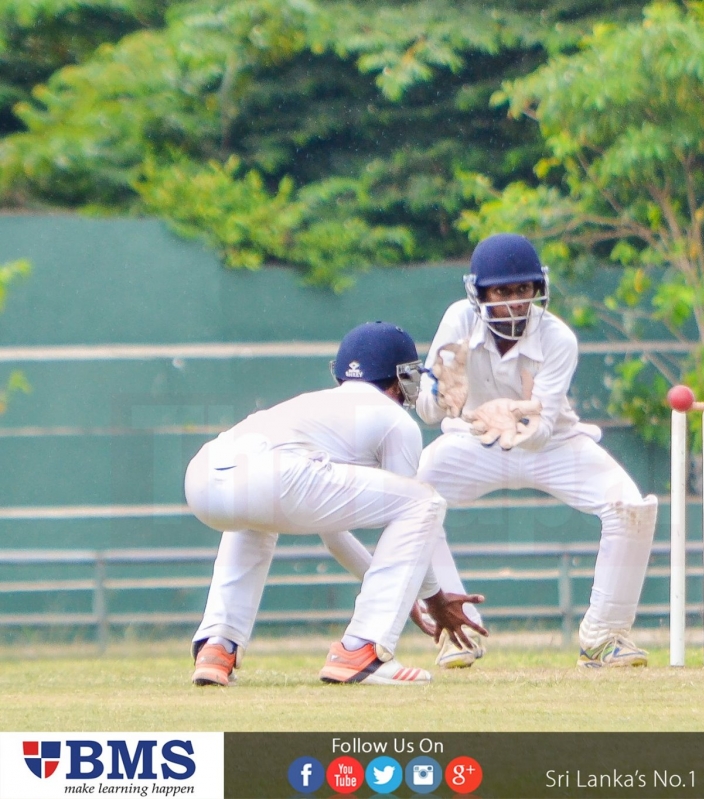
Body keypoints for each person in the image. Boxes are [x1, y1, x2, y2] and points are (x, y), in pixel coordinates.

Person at [186, 321, 486, 687]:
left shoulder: (318, 407)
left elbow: (334, 535)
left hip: (204, 473)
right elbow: (415, 515)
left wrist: (400, 592)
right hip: (274, 474)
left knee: (254, 517)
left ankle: (218, 646)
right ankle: (363, 650)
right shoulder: (395, 420)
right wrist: (434, 599)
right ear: (401, 377)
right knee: (425, 501)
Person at [413, 232, 660, 668]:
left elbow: (542, 431)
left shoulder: (558, 338)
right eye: (502, 292)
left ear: (538, 289)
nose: (514, 303)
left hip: (552, 446)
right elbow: (428, 412)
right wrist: (441, 392)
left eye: (523, 290)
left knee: (630, 506)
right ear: (479, 294)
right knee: (411, 501)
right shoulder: (459, 320)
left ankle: (604, 637)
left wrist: (509, 417)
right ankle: (457, 630)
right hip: (474, 441)